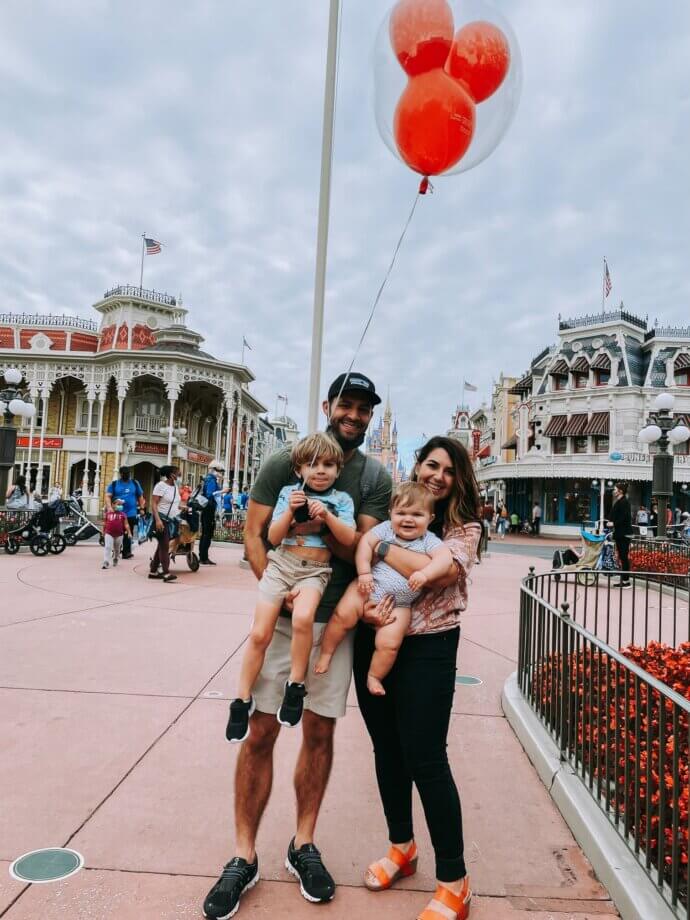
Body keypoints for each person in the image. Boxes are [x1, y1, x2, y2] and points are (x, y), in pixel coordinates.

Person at [203, 371, 391, 920]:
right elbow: (255, 537)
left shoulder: (373, 475)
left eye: (364, 409)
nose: (354, 416)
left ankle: (302, 843)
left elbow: (365, 545)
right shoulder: (286, 462)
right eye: (346, 405)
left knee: (320, 730)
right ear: (329, 405)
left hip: (331, 620)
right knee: (260, 729)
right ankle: (243, 855)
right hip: (287, 611)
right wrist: (280, 595)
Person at [354, 435, 481, 920]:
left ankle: (454, 878)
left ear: (458, 478)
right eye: (432, 465)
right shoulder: (398, 510)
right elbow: (359, 561)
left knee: (427, 759)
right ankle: (401, 846)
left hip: (430, 646)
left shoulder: (462, 527)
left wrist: (382, 545)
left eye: (449, 470)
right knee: (387, 749)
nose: (438, 476)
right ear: (417, 466)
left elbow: (444, 572)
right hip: (377, 639)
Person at [227, 433, 356, 741]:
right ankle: (242, 699)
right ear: (299, 470)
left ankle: (296, 685)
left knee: (302, 619)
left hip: (314, 571)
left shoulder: (341, 500)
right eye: (313, 465)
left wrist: (325, 517)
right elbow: (272, 537)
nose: (321, 471)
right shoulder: (289, 492)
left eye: (328, 465)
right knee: (260, 633)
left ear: (338, 470)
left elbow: (349, 538)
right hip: (282, 566)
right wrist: (288, 511)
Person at [315, 481, 452, 695]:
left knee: (389, 644)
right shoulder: (385, 530)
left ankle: (374, 676)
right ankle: (326, 653)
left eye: (417, 515)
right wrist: (364, 573)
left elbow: (445, 560)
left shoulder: (428, 541)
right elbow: (365, 545)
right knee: (342, 616)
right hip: (366, 588)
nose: (408, 519)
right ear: (391, 514)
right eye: (401, 513)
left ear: (430, 519)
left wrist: (425, 574)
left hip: (401, 604)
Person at [148, 465, 182, 584]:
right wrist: (157, 520)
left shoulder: (175, 487)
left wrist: (184, 508)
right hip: (161, 520)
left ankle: (153, 571)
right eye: (178, 472)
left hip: (171, 521)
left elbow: (175, 504)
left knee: (161, 546)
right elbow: (154, 504)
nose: (180, 474)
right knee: (165, 546)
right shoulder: (161, 486)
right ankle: (166, 573)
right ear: (171, 474)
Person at [106, 466, 145, 560]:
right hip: (118, 512)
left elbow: (140, 496)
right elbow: (108, 496)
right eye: (124, 474)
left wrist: (142, 508)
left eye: (128, 474)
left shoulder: (135, 483)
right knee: (118, 531)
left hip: (131, 512)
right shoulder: (115, 484)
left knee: (128, 531)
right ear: (121, 474)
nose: (126, 476)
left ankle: (126, 552)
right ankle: (116, 549)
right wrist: (109, 507)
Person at [199, 460, 224, 566]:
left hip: (207, 508)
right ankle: (203, 557)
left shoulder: (209, 479)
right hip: (208, 508)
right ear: (214, 469)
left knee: (206, 533)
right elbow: (210, 494)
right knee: (207, 533)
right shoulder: (211, 479)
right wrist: (223, 491)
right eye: (220, 471)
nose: (221, 473)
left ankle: (203, 556)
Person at [608, 481, 632, 588]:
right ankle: (624, 580)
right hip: (620, 532)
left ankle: (626, 581)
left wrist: (613, 523)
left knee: (623, 557)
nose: (614, 491)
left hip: (623, 533)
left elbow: (624, 517)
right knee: (622, 556)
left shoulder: (624, 502)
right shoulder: (621, 501)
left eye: (615, 489)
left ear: (620, 491)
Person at [102, 498, 131, 569]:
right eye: (118, 504)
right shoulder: (108, 514)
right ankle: (106, 562)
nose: (120, 506)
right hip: (109, 533)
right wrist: (103, 532)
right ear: (113, 505)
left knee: (117, 549)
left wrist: (129, 533)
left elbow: (126, 524)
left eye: (121, 505)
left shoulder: (123, 515)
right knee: (108, 547)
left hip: (119, 534)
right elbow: (104, 523)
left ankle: (115, 558)